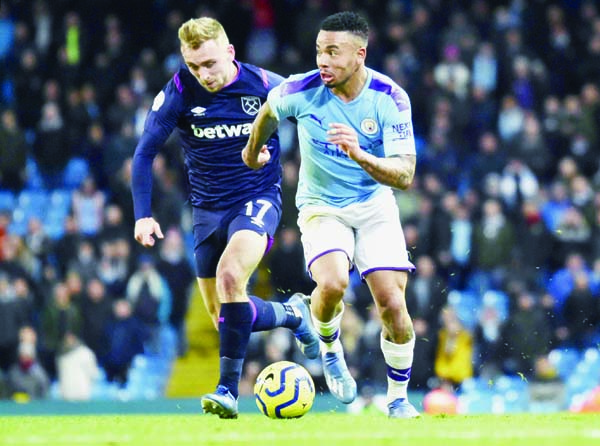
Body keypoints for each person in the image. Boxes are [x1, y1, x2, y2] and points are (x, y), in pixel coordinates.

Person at [130, 17, 319, 419]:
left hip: (257, 198)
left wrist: (296, 164)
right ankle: (292, 313)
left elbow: (315, 113)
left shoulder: (266, 84)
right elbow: (145, 152)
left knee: (232, 276)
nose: (204, 74)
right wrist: (142, 216)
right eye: (195, 66)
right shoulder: (179, 90)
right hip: (206, 212)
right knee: (226, 318)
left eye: (210, 64)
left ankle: (227, 392)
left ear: (230, 52)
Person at [243, 11, 420, 418]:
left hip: (374, 204)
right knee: (335, 281)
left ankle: (397, 399)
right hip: (322, 206)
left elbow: (406, 174)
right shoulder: (300, 90)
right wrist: (252, 152)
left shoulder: (389, 98)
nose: (323, 60)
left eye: (334, 52)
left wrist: (359, 153)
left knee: (392, 302)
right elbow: (268, 113)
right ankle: (328, 345)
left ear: (360, 54)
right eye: (320, 50)